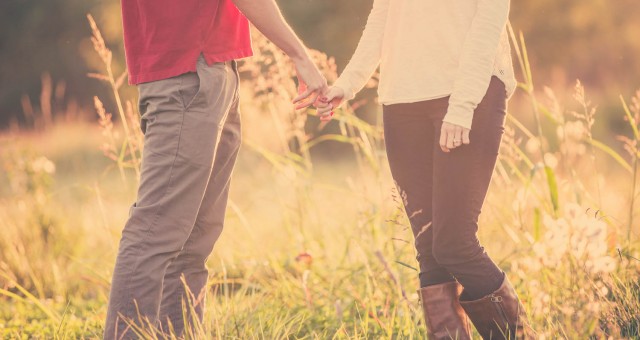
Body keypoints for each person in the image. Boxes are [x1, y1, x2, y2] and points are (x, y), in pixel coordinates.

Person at [103, 0, 326, 338]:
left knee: (195, 237)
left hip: (210, 66)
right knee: (155, 231)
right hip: (185, 73)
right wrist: (298, 54)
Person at [316, 0, 534, 338]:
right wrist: (347, 84)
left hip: (469, 93)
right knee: (429, 248)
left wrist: (462, 105)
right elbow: (384, 16)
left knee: (454, 244)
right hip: (402, 100)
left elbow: (490, 18)